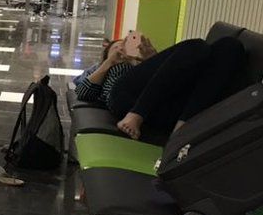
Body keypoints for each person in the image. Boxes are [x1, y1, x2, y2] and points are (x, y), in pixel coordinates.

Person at [74, 36, 247, 139]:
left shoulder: (144, 68)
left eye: (125, 44)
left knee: (230, 45)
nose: (123, 49)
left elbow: (173, 77)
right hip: (124, 100)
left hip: (164, 107)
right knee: (196, 46)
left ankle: (183, 128)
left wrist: (152, 59)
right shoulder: (108, 68)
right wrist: (109, 62)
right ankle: (135, 115)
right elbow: (82, 92)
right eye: (117, 47)